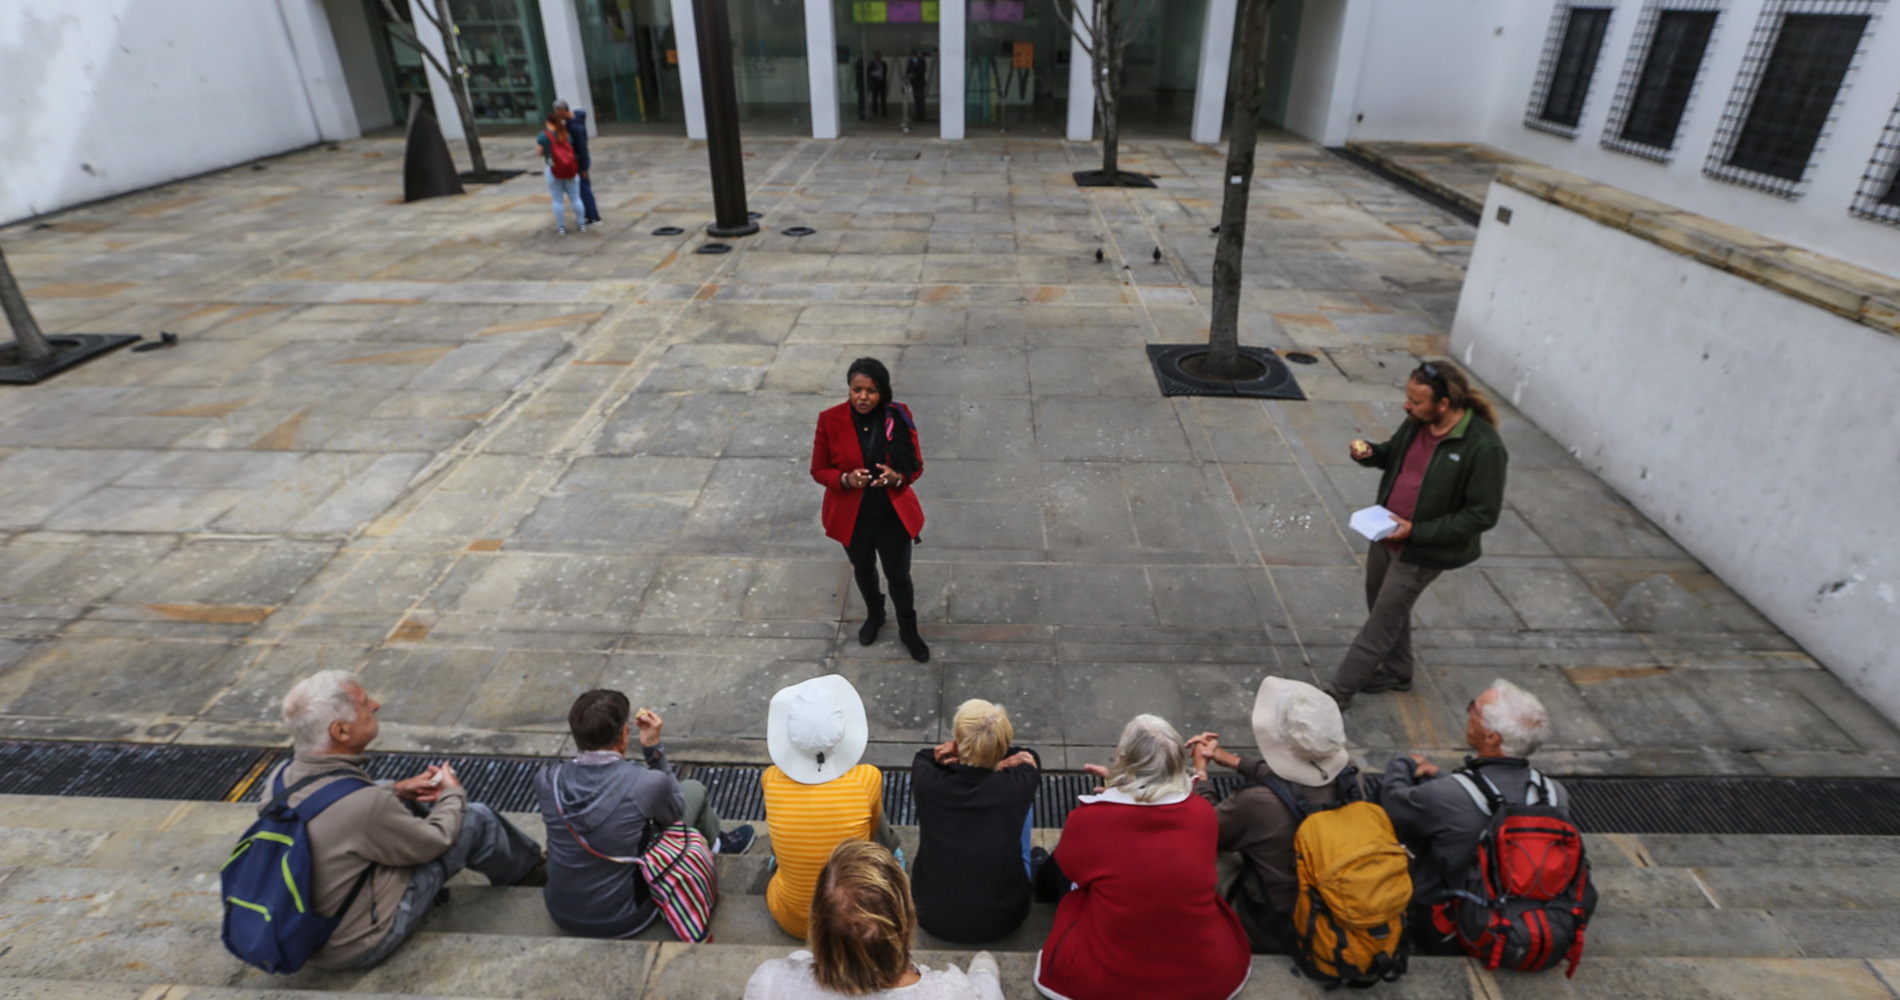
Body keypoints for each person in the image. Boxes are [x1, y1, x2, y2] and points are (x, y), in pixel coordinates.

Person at [268, 670, 544, 970]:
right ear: (341, 731)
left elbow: (341, 809)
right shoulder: (365, 806)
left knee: (386, 787)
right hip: (356, 942)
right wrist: (453, 794)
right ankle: (531, 874)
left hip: (307, 925)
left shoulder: (281, 778)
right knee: (476, 819)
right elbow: (435, 842)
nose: (375, 705)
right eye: (364, 704)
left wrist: (396, 789)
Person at [1032, 715, 1251, 1000]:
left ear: (1123, 760)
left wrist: (1112, 792)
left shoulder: (1090, 820)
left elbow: (1070, 869)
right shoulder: (1202, 813)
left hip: (1107, 981)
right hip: (1204, 977)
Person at [1329, 360, 1506, 708]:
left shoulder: (1483, 447)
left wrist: (1418, 531)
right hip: (1385, 532)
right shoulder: (1417, 423)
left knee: (1381, 622)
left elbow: (1482, 515)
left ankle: (1336, 695)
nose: (1407, 406)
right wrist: (1367, 453)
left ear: (1444, 404)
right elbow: (1392, 455)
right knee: (1382, 604)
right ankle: (1399, 671)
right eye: (1408, 398)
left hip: (1424, 550)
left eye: (1417, 401)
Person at [534, 689, 754, 939]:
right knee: (693, 789)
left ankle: (714, 843)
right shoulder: (644, 783)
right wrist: (653, 748)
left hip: (561, 910)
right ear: (624, 735)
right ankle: (714, 845)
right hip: (625, 916)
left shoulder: (546, 779)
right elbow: (675, 812)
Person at [1187, 677, 1374, 953]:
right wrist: (1230, 760)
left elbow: (1209, 828)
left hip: (1276, 922)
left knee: (1194, 849)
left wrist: (1200, 775)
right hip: (1340, 900)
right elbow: (1301, 777)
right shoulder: (1351, 775)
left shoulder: (1256, 803)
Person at [1380, 679, 1569, 929]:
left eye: (1474, 710)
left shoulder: (1446, 794)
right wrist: (1441, 776)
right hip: (1533, 914)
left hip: (1464, 918)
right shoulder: (1555, 794)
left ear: (1491, 737)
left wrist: (1402, 762)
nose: (1468, 713)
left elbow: (1394, 804)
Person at [744, 841, 1005, 1000]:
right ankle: (984, 976)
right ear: (906, 919)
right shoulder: (951, 991)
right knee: (983, 984)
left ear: (816, 923)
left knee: (799, 960)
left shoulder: (770, 983)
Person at [762, 674, 901, 940]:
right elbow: (870, 836)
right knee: (872, 815)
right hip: (851, 926)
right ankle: (895, 853)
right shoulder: (867, 778)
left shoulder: (772, 779)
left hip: (790, 918)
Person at [811, 357, 929, 663]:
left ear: (882, 391)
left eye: (871, 390)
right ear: (849, 388)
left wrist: (898, 477)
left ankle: (908, 629)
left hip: (892, 518)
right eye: (856, 389)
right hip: (853, 520)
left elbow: (915, 466)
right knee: (863, 571)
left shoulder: (898, 416)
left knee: (899, 577)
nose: (863, 397)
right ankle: (875, 616)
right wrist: (845, 479)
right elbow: (818, 470)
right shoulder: (829, 419)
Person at [910, 699, 1040, 943]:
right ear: (1003, 747)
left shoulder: (926, 776)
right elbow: (1028, 756)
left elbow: (926, 756)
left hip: (930, 912)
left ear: (956, 745)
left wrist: (961, 754)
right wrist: (995, 763)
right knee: (1023, 806)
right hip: (1005, 918)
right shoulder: (1021, 780)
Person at [536, 108, 584, 234]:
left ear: (549, 122)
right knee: (575, 198)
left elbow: (539, 152)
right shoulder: (566, 134)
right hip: (570, 170)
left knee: (557, 200)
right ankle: (581, 224)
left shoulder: (543, 136)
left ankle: (561, 227)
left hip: (553, 170)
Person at [554, 101, 603, 226]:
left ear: (562, 111)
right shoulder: (577, 117)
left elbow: (582, 149)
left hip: (580, 163)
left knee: (584, 189)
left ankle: (593, 216)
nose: (557, 114)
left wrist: (582, 168)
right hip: (579, 162)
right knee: (580, 189)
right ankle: (587, 214)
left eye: (557, 112)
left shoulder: (575, 127)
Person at [906, 50, 929, 122]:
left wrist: (915, 75)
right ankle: (917, 114)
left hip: (920, 82)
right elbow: (908, 70)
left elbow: (923, 70)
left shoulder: (922, 61)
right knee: (916, 99)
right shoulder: (911, 61)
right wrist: (909, 75)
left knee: (920, 99)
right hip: (914, 82)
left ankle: (921, 115)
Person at [869, 52, 889, 118]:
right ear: (875, 56)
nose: (878, 57)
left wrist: (879, 74)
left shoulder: (884, 64)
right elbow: (870, 73)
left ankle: (884, 112)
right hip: (875, 83)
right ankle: (875, 112)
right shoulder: (871, 64)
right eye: (877, 56)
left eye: (879, 56)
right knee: (874, 98)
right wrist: (875, 74)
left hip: (882, 83)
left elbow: (885, 72)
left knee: (883, 98)